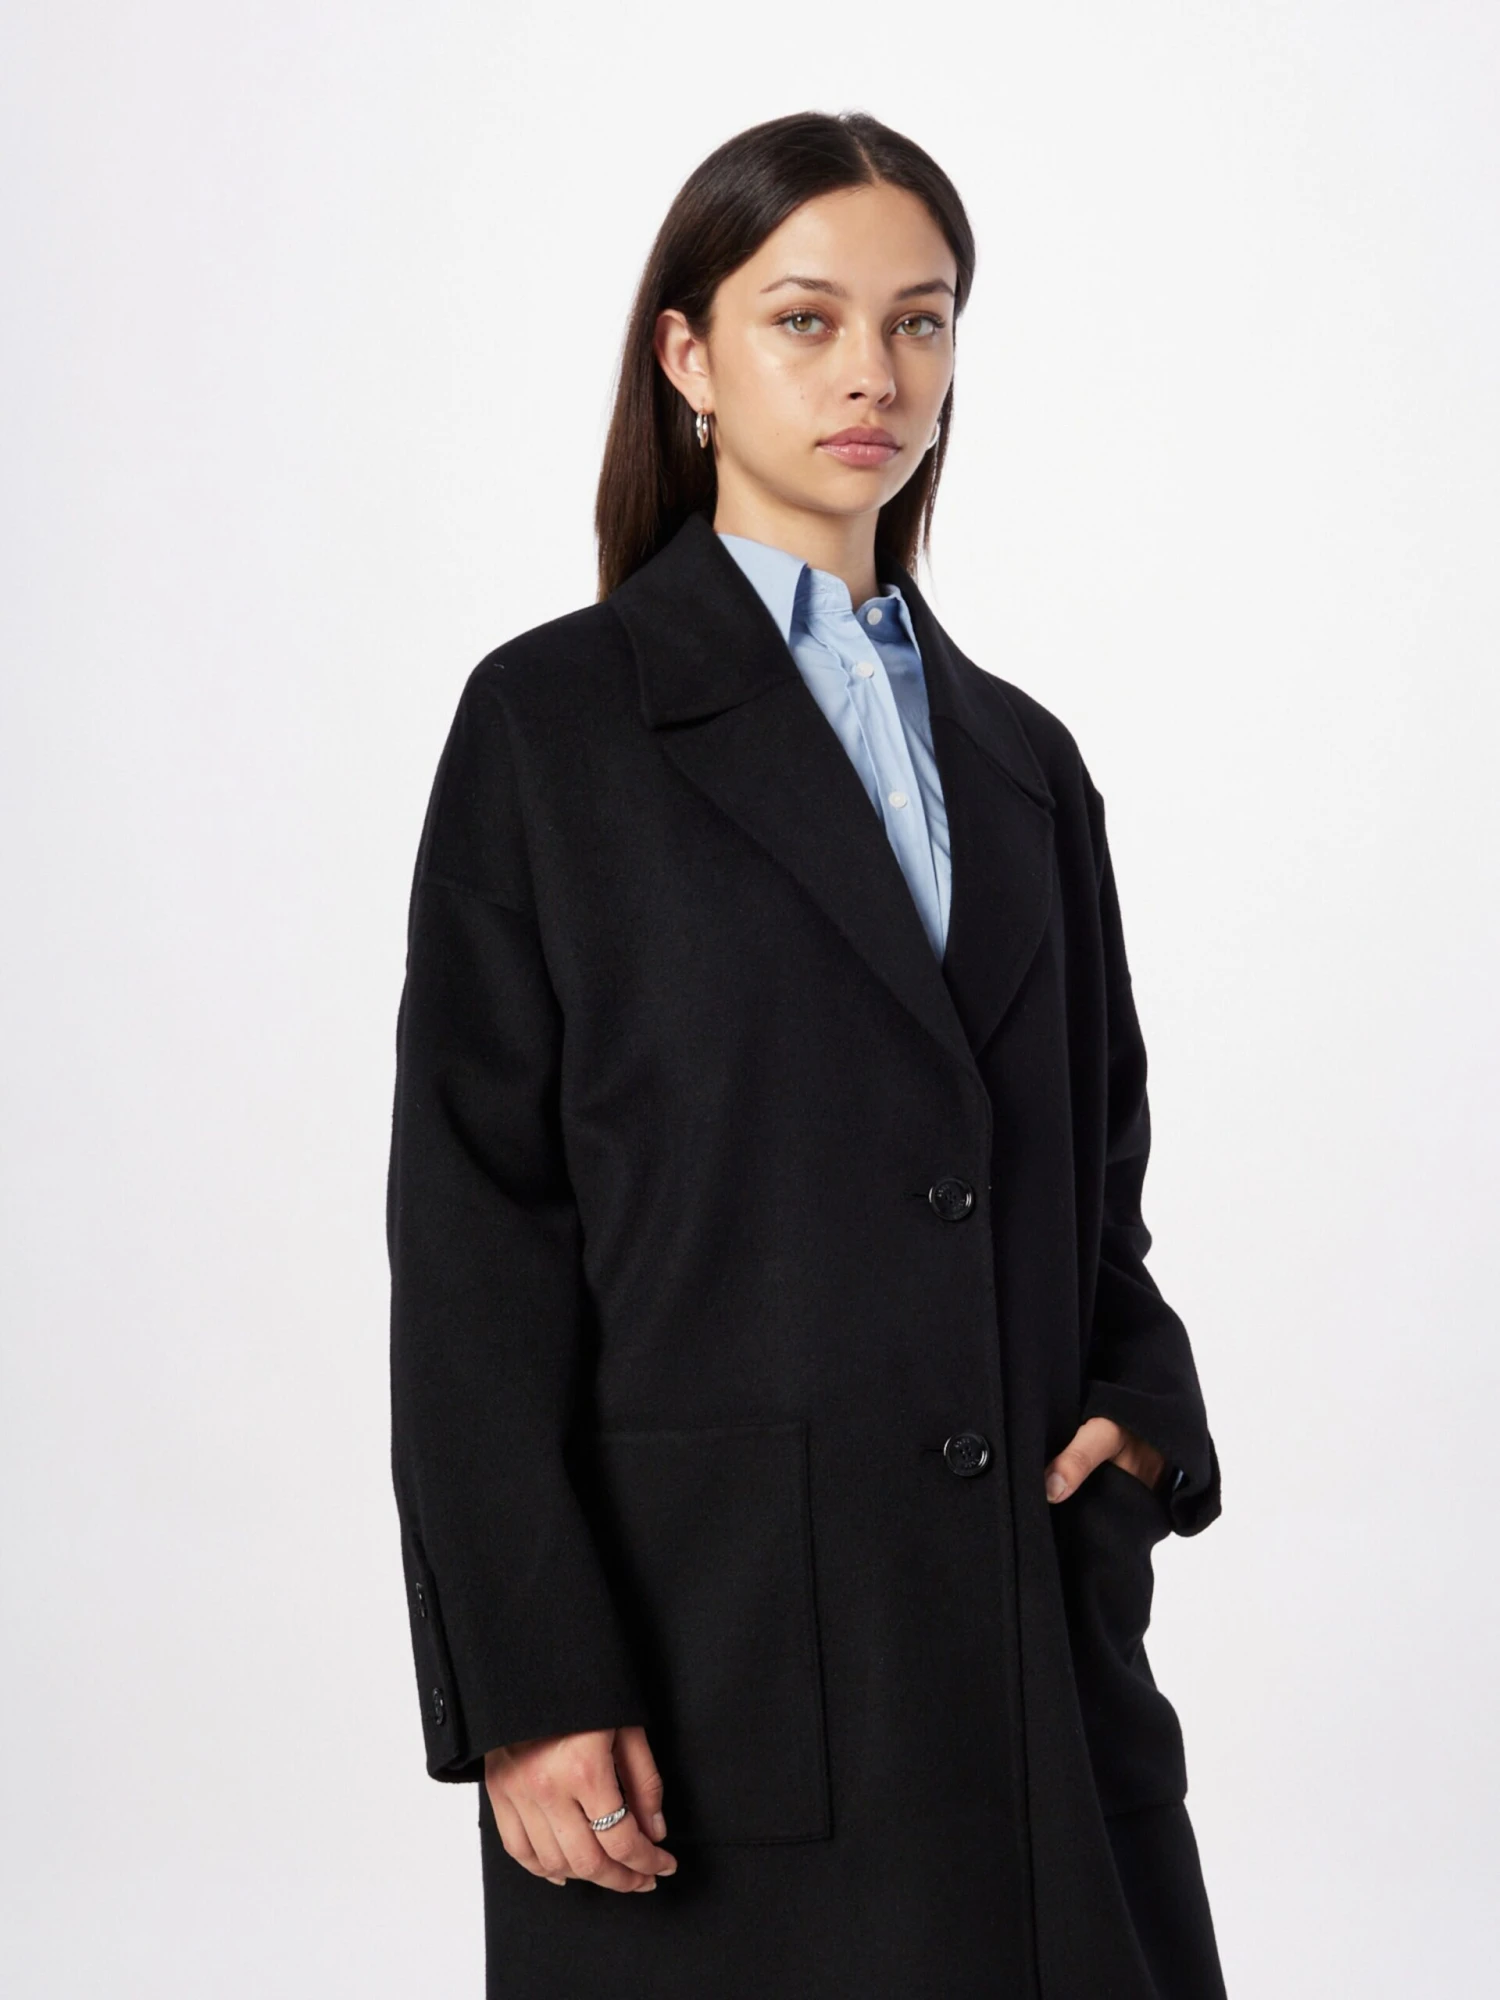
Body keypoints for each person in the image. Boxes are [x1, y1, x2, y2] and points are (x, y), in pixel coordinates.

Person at [387, 108, 1228, 2000]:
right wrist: (532, 1680)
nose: (874, 372)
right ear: (687, 357)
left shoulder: (1026, 764)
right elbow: (474, 1241)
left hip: (1032, 1666)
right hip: (714, 1679)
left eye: (920, 322)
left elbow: (1093, 1194)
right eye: (806, 319)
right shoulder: (554, 728)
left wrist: (1144, 1417)